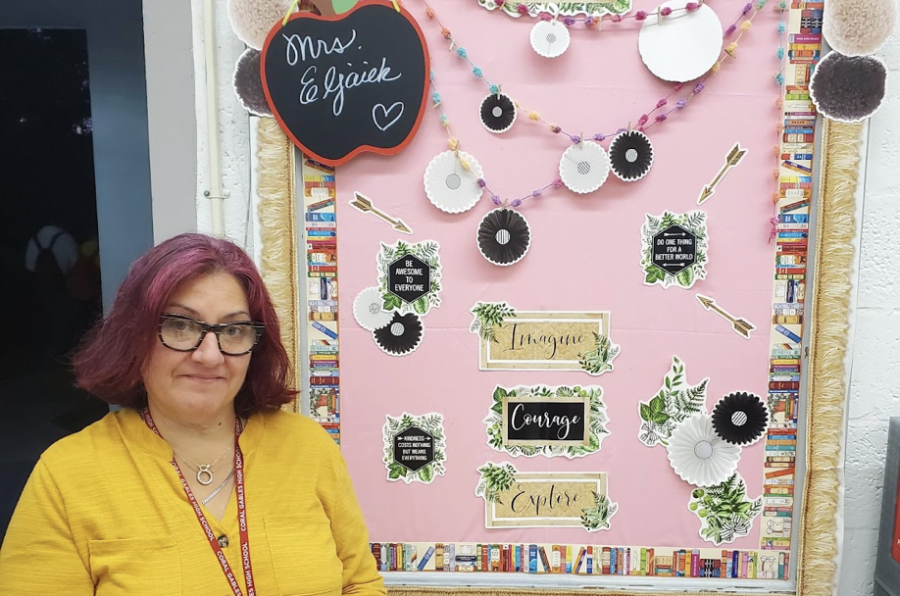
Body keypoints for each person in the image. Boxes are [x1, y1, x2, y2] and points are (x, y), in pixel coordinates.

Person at [0, 233, 385, 596]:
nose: (209, 355)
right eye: (181, 325)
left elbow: (359, 583)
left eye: (233, 330)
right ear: (135, 335)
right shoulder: (67, 475)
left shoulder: (308, 448)